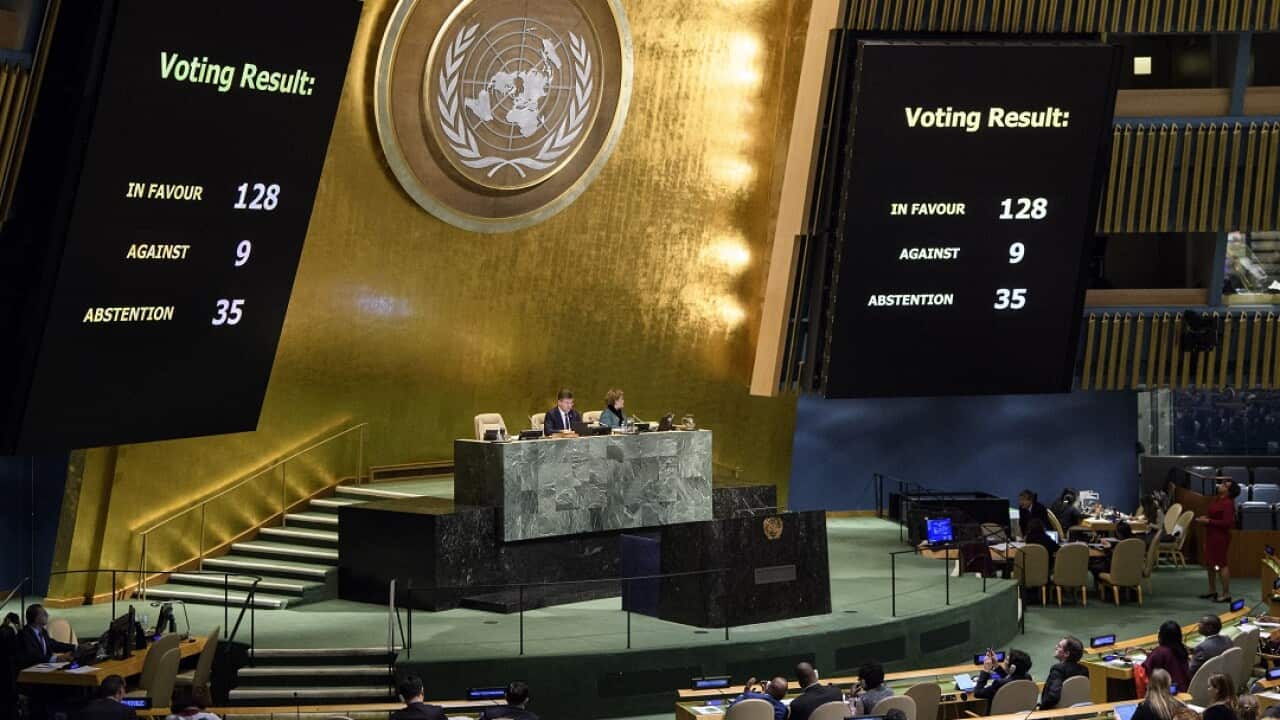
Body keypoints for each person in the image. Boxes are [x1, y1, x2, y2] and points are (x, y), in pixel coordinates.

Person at [1197, 478, 1241, 602]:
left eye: (1224, 485)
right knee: (1210, 563)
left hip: (1220, 537)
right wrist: (1206, 518)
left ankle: (1226, 594)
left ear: (1229, 491)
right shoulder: (1217, 499)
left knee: (1221, 564)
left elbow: (1227, 523)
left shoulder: (1228, 503)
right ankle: (1212, 591)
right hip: (1211, 534)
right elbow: (1214, 516)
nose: (1220, 485)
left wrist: (1208, 521)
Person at [16, 604, 74, 669]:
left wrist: (75, 647)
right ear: (36, 618)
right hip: (29, 671)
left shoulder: (43, 631)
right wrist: (57, 658)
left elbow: (54, 645)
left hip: (43, 669)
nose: (47, 615)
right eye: (44, 613)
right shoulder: (24, 634)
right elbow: (33, 656)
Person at [1040, 636, 1089, 709]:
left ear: (1066, 654)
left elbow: (1053, 696)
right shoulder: (1084, 670)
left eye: (1059, 646)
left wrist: (1041, 709)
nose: (1055, 647)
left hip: (1058, 712)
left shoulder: (1058, 669)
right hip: (1079, 710)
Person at [1142, 620, 1191, 692]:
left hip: (1168, 692)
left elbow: (1144, 671)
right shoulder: (1182, 649)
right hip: (1184, 690)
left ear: (1161, 636)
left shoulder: (1160, 652)